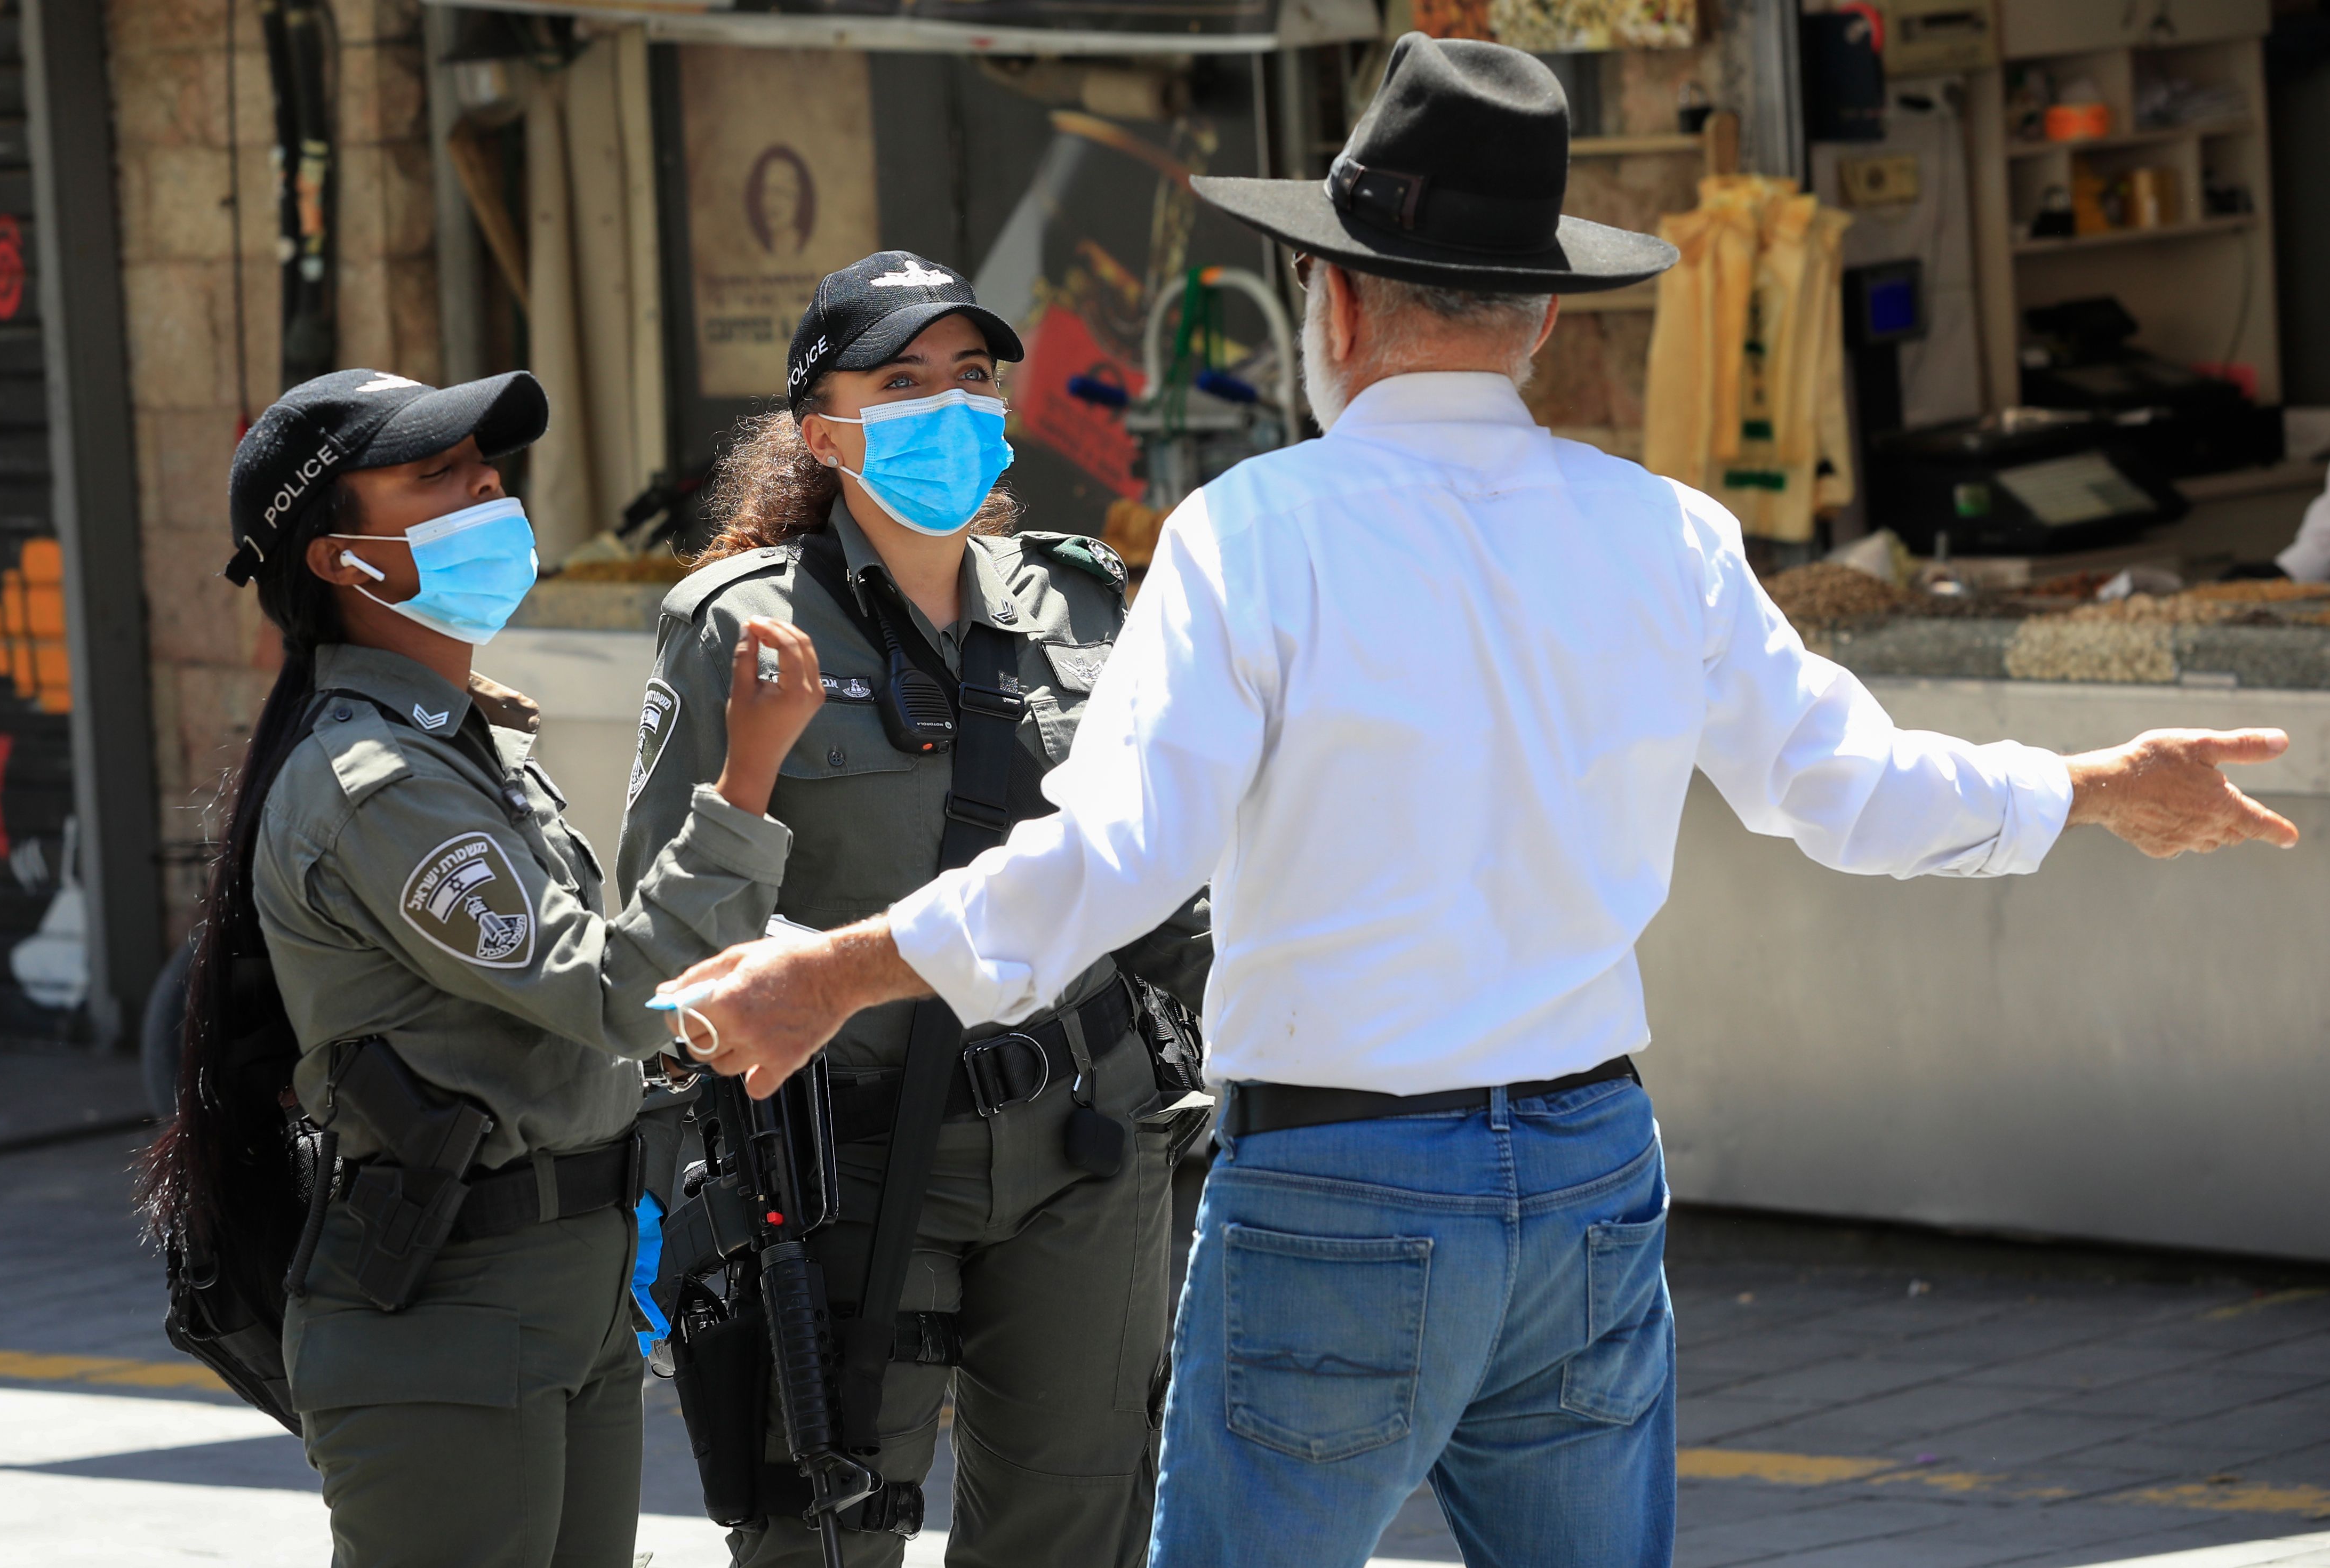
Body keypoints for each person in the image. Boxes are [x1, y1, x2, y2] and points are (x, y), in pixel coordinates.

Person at [647, 39, 2300, 1568]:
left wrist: (832, 968)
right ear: (1542, 319)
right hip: (1586, 1173)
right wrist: (2092, 785)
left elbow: (1117, 857)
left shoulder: (1255, 532)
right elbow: (1853, 791)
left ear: (1336, 302)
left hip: (1339, 1181)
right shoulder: (1660, 532)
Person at [141, 367, 828, 1568]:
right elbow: (611, 992)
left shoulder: (467, 742)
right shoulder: (377, 784)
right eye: (435, 475)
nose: (486, 490)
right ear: (340, 558)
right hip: (452, 1309)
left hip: (570, 1286)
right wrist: (745, 780)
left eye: (482, 466)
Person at [616, 250, 1211, 1568]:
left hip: (1084, 1145)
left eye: (972, 375)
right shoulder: (739, 626)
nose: (949, 406)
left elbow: (1166, 892)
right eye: (901, 382)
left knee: (1078, 1525)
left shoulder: (1083, 605)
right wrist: (663, 1173)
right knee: (822, 1533)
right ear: (825, 431)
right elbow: (672, 936)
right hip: (849, 1160)